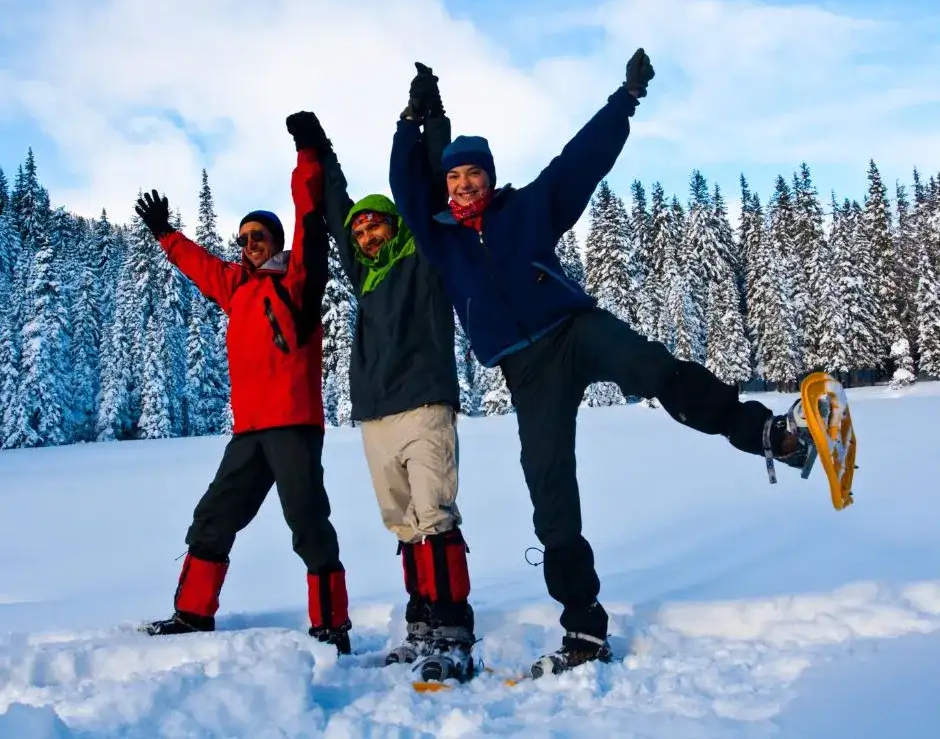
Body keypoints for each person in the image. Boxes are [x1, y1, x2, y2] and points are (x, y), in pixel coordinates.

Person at [387, 53, 812, 678]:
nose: (463, 187)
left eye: (474, 176)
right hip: (524, 371)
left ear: (489, 178)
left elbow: (580, 160)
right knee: (549, 488)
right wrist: (412, 121)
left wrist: (625, 100)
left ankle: (768, 434)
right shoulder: (440, 237)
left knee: (655, 370)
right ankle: (583, 628)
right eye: (455, 180)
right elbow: (405, 184)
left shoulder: (527, 210)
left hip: (576, 331)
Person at [284, 107, 475, 682]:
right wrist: (320, 149)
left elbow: (430, 186)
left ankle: (452, 628)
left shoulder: (422, 258)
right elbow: (338, 203)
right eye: (360, 231)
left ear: (395, 226)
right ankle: (421, 623)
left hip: (425, 406)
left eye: (376, 226)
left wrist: (428, 119)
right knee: (402, 521)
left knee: (433, 514)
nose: (365, 234)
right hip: (375, 415)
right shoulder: (362, 272)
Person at [133, 153, 352, 655]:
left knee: (308, 523)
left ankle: (332, 625)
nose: (251, 245)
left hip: (293, 425)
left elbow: (306, 212)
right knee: (213, 515)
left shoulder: (298, 282)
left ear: (276, 241)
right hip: (249, 431)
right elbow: (201, 266)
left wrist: (305, 155)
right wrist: (166, 234)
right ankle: (191, 614)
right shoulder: (237, 289)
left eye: (260, 237)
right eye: (244, 239)